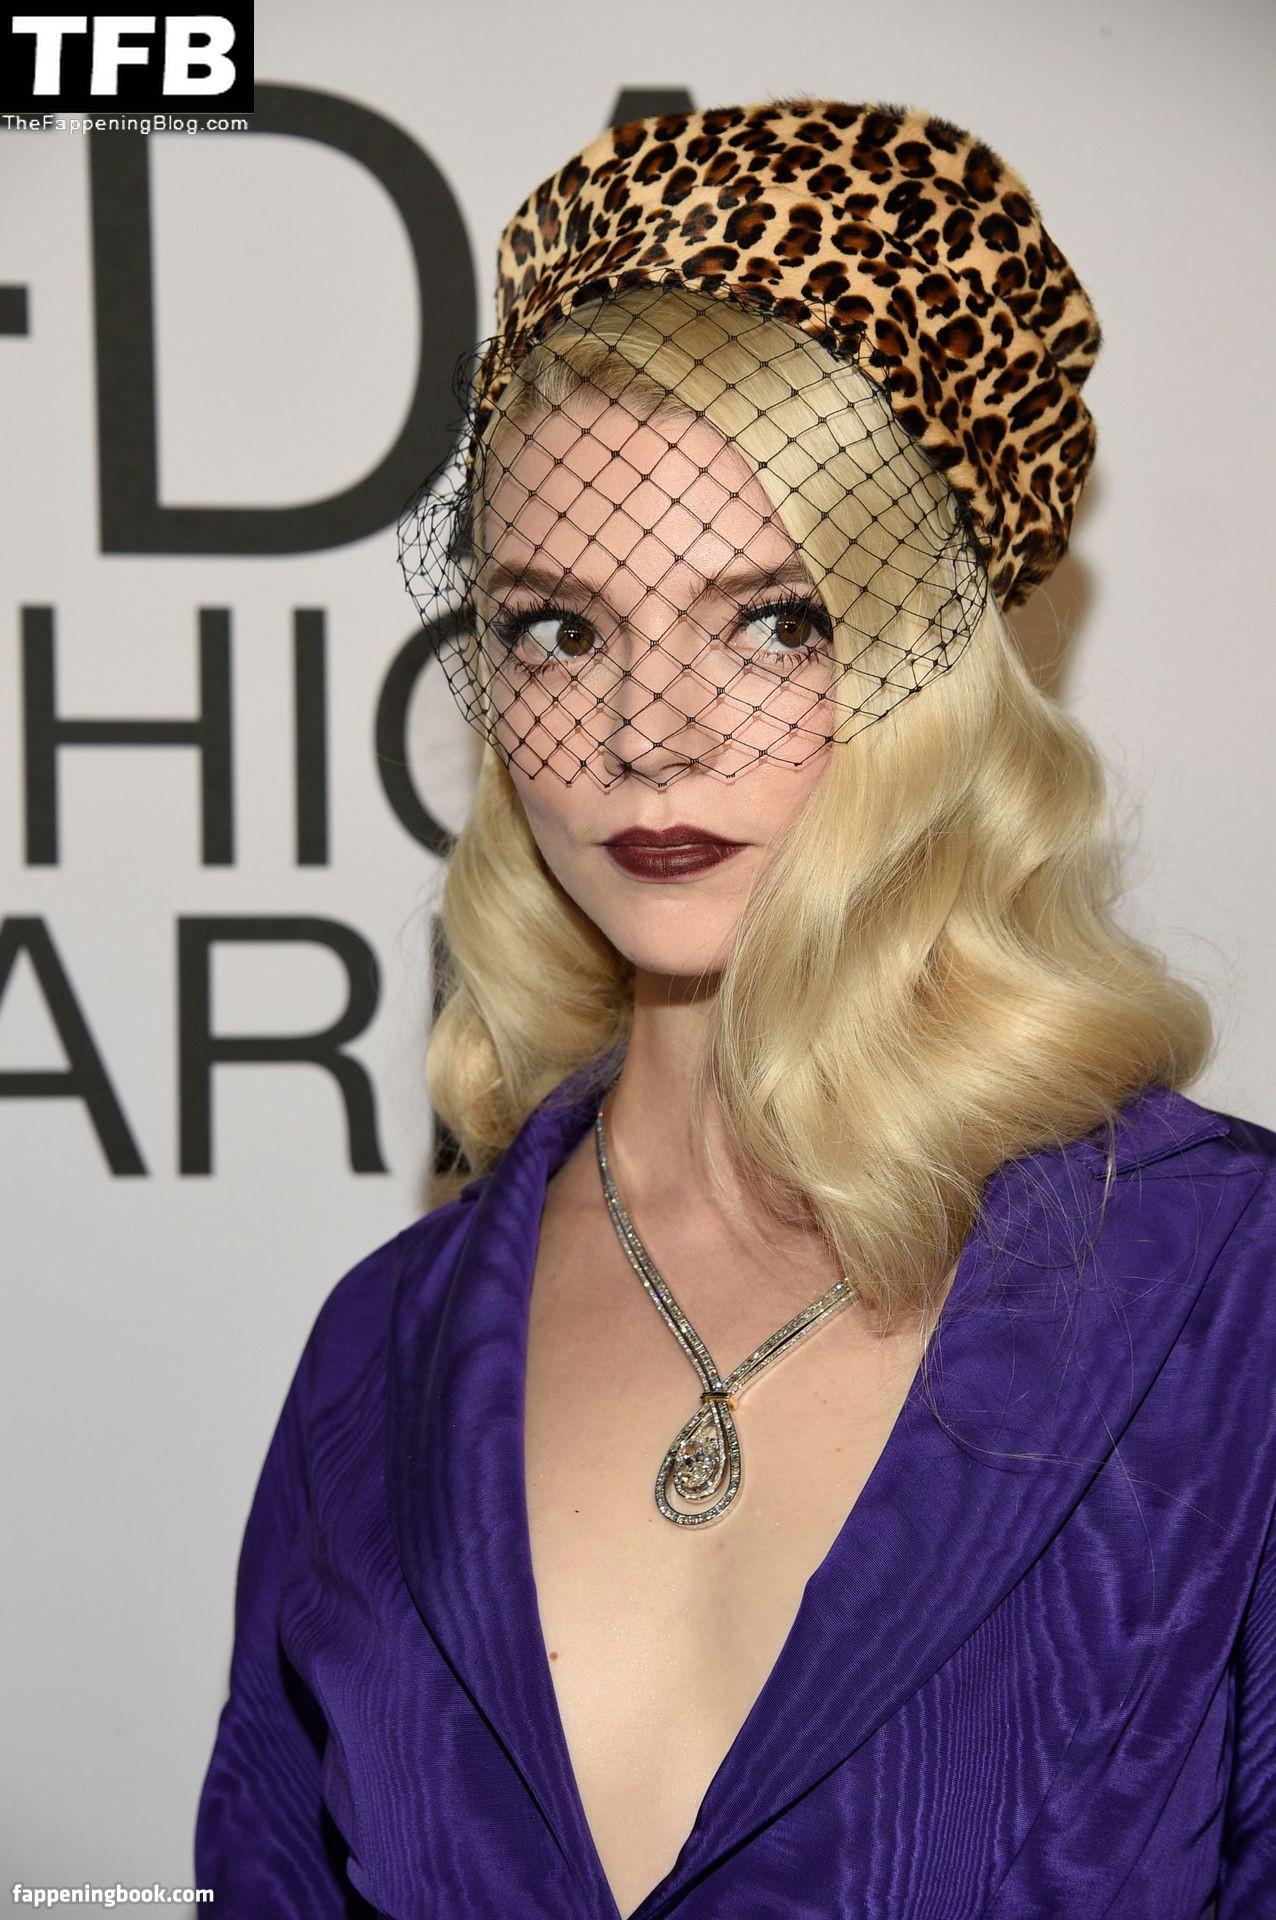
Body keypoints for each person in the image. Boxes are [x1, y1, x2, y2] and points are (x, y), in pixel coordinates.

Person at [194, 99, 1276, 1918]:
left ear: (937, 661)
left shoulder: (1230, 1298)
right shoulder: (379, 1358)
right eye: (558, 627)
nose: (648, 733)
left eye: (773, 621)